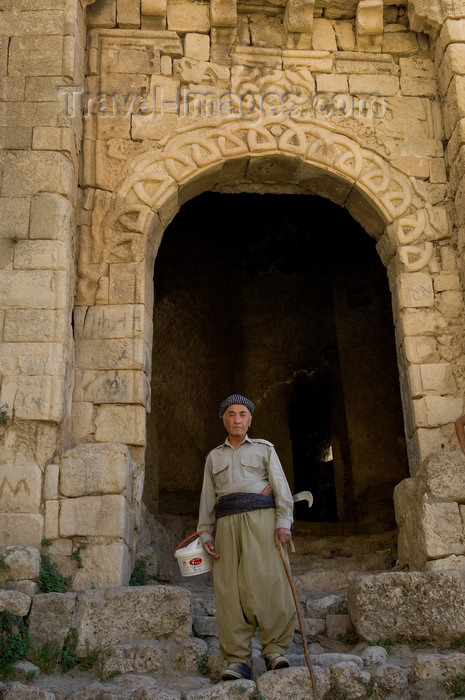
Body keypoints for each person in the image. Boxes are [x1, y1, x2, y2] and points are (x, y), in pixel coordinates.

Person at [197, 393, 296, 681]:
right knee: (230, 591)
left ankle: (274, 649)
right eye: (231, 414)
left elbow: (281, 487)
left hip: (263, 523)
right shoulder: (214, 456)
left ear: (250, 420)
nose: (237, 419)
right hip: (227, 526)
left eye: (242, 414)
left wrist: (283, 522)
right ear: (223, 420)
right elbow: (207, 499)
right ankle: (238, 659)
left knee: (269, 582)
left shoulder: (265, 449)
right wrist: (205, 533)